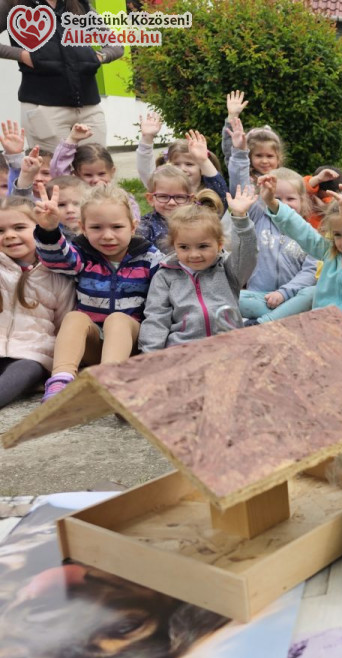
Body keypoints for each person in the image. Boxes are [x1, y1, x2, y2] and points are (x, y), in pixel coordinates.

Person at [33, 183, 160, 400]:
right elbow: (56, 259)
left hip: (133, 344)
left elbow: (167, 294)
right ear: (83, 228)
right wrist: (49, 230)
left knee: (118, 319)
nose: (107, 236)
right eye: (96, 228)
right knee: (74, 317)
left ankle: (108, 381)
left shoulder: (150, 258)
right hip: (95, 346)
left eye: (117, 227)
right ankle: (61, 380)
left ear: (133, 226)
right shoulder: (82, 255)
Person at [260, 177, 342, 340]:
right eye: (338, 235)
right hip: (327, 329)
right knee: (308, 298)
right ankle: (261, 324)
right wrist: (272, 202)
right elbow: (301, 230)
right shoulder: (331, 252)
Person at [138, 187, 258, 351]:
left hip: (229, 344)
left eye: (203, 246)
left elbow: (247, 255)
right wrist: (151, 354)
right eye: (184, 247)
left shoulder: (228, 268)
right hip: (184, 348)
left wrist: (241, 219)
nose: (194, 254)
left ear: (219, 244)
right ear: (174, 246)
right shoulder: (165, 276)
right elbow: (156, 318)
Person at [1, 0, 123, 153]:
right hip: (43, 108)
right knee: (54, 173)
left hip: (89, 107)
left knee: (95, 170)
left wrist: (97, 57)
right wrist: (23, 55)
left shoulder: (80, 5)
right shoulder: (13, 4)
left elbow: (116, 46)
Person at [0, 195, 75, 407]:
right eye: (0, 231)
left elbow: (63, 324)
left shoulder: (57, 275)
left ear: (38, 228)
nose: (9, 235)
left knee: (26, 369)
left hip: (32, 352)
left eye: (19, 227)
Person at [238, 168, 318, 326]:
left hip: (292, 298)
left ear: (303, 200)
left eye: (291, 198)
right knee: (230, 297)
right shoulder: (258, 219)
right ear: (266, 199)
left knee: (312, 293)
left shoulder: (309, 234)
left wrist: (283, 293)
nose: (284, 204)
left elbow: (310, 272)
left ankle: (262, 322)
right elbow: (240, 186)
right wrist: (239, 151)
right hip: (259, 297)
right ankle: (283, 317)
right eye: (276, 198)